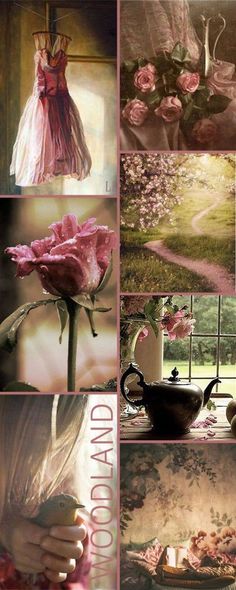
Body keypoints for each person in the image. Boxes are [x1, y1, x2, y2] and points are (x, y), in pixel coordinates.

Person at [0, 395, 90, 589]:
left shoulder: (75, 523)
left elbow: (77, 582)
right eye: (34, 445)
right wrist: (4, 534)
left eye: (61, 449)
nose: (45, 471)